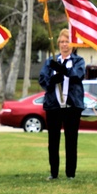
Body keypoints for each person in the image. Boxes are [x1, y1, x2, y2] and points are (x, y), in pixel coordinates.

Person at [38, 28, 86, 179]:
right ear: (58, 44)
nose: (65, 45)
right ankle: (54, 173)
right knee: (53, 141)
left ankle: (70, 173)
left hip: (71, 106)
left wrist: (63, 70)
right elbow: (42, 80)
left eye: (67, 42)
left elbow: (78, 76)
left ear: (73, 45)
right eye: (62, 42)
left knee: (71, 141)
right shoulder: (51, 61)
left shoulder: (78, 61)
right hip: (54, 106)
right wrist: (52, 80)